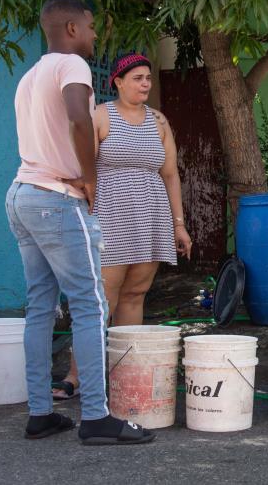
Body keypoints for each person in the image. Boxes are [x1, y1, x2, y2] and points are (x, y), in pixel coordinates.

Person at [5, 0, 154, 445]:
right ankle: (95, 418)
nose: (94, 35)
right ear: (71, 29)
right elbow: (77, 119)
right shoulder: (72, 67)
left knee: (39, 307)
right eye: (90, 27)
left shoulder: (30, 76)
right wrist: (90, 180)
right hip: (57, 199)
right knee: (92, 306)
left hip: (22, 195)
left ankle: (40, 414)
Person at [51, 52, 192, 399]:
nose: (145, 84)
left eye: (148, 78)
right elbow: (84, 168)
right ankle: (76, 377)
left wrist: (179, 224)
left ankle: (121, 373)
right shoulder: (101, 116)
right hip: (109, 216)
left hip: (152, 216)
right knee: (102, 300)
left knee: (135, 294)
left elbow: (170, 174)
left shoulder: (159, 121)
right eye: (137, 78)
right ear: (118, 82)